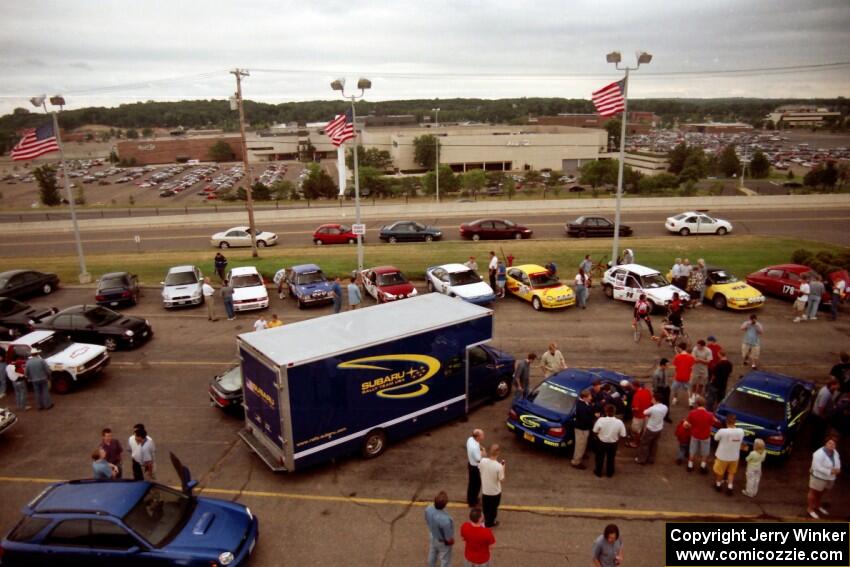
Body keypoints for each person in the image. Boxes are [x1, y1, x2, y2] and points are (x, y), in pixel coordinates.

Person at [807, 436, 841, 519]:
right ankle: (810, 509)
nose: (831, 445)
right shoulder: (818, 454)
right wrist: (830, 471)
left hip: (830, 478)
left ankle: (817, 506)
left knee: (821, 492)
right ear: (826, 443)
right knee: (813, 492)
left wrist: (838, 469)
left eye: (833, 444)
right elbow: (816, 467)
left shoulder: (835, 452)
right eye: (829, 443)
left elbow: (838, 461)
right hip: (819, 477)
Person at [713, 413, 746, 495]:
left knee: (720, 472)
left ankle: (718, 485)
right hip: (734, 456)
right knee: (731, 472)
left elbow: (715, 438)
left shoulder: (722, 431)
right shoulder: (741, 431)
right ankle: (730, 487)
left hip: (722, 456)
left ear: (727, 422)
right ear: (735, 422)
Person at [592, 404, 626, 478]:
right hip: (613, 443)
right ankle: (609, 473)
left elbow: (594, 430)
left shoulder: (601, 420)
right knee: (611, 458)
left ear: (606, 412)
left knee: (599, 457)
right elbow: (623, 435)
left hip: (601, 442)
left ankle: (598, 472)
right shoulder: (619, 422)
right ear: (614, 412)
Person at [635, 392, 668, 465]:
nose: (651, 399)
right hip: (659, 428)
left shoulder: (653, 408)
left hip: (651, 428)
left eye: (653, 398)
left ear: (656, 400)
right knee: (654, 444)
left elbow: (644, 412)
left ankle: (642, 459)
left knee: (644, 444)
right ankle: (651, 459)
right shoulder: (665, 407)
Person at [424, 491, 454, 567]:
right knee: (445, 560)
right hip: (442, 541)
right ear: (445, 505)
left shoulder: (428, 509)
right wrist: (451, 541)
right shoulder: (446, 520)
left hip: (432, 535)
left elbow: (427, 521)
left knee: (432, 553)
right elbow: (448, 538)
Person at [685, 396, 713, 474]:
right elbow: (711, 424)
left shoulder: (692, 413)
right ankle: (702, 466)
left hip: (695, 434)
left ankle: (690, 465)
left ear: (697, 404)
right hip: (705, 436)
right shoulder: (710, 415)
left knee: (692, 450)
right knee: (705, 452)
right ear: (705, 404)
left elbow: (687, 424)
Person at [478, 444, 505, 528]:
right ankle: (490, 522)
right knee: (493, 509)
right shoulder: (499, 466)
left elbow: (479, 466)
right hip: (495, 492)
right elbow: (501, 479)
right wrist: (503, 467)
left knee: (486, 507)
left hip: (485, 491)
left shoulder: (483, 461)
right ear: (498, 453)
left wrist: (482, 453)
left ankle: (486, 519)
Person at [571, 389, 595, 469]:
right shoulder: (582, 407)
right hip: (582, 429)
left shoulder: (583, 403)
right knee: (580, 445)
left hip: (583, 428)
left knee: (582, 444)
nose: (591, 398)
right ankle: (576, 462)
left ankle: (581, 455)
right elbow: (585, 419)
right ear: (584, 397)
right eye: (590, 396)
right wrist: (594, 416)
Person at [811, 379, 839, 448]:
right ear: (832, 385)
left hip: (817, 415)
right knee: (819, 432)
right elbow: (821, 407)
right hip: (819, 417)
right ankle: (815, 446)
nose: (838, 387)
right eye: (837, 385)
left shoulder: (825, 388)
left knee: (816, 431)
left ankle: (814, 445)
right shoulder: (826, 394)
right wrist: (823, 417)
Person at [627, 381, 652, 448]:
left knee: (636, 431)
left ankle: (635, 443)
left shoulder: (637, 395)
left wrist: (631, 409)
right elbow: (651, 401)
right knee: (644, 430)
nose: (631, 387)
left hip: (638, 416)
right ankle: (642, 441)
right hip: (646, 414)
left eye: (632, 386)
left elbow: (636, 408)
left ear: (635, 386)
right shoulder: (647, 391)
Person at [466, 429, 486, 507]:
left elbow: (478, 445)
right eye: (482, 435)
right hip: (475, 468)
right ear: (477, 437)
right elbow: (478, 459)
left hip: (470, 464)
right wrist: (483, 452)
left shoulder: (470, 439)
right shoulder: (474, 448)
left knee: (471, 484)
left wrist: (480, 447)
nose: (484, 436)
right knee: (476, 484)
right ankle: (472, 502)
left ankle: (471, 498)